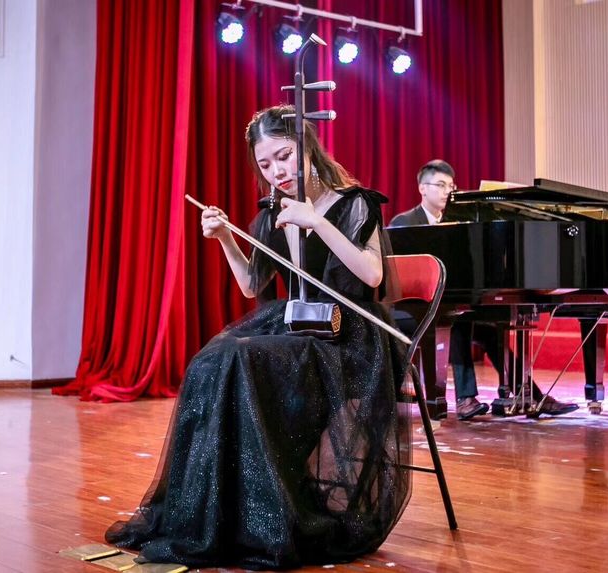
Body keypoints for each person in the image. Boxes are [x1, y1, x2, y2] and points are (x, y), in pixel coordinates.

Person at [105, 105, 413, 569]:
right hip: (299, 331)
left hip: (348, 338)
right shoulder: (274, 213)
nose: (277, 172)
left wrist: (317, 222)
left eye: (284, 157)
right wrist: (225, 238)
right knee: (215, 358)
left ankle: (268, 513)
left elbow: (371, 275)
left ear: (308, 148)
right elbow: (252, 284)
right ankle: (227, 514)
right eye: (265, 165)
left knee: (245, 359)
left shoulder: (354, 203)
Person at [389, 160, 578, 419]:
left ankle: (530, 395)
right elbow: (399, 276)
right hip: (409, 310)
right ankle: (464, 399)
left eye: (451, 186)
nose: (447, 192)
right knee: (456, 322)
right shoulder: (404, 222)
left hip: (448, 305)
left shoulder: (458, 223)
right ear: (422, 188)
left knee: (488, 332)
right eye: (440, 185)